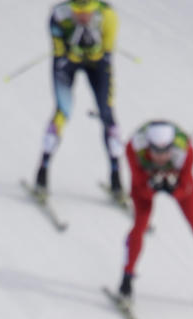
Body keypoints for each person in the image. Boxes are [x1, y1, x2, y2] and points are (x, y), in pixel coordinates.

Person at [117, 121, 193, 304]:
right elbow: (138, 185)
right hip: (145, 182)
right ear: (148, 146)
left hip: (177, 181)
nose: (161, 157)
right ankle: (127, 278)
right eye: (156, 152)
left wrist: (174, 189)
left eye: (166, 152)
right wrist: (151, 186)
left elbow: (186, 187)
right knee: (139, 226)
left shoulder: (186, 152)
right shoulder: (134, 148)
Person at [33, 2, 123, 198]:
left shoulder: (108, 16)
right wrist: (70, 54)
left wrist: (90, 51)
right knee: (62, 111)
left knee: (107, 114)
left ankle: (116, 177)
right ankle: (42, 170)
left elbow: (107, 52)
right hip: (67, 62)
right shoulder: (59, 15)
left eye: (87, 13)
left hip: (97, 64)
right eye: (78, 12)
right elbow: (58, 50)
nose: (82, 17)